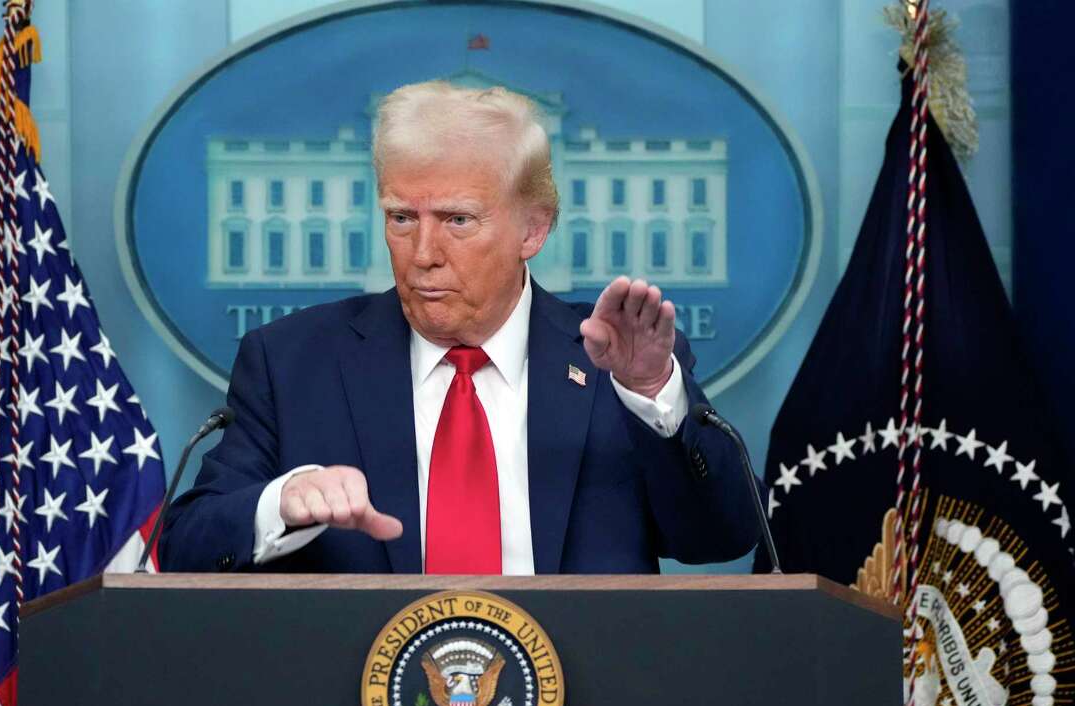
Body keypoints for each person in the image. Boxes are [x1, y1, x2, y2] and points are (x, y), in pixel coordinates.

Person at [161, 81, 760, 575]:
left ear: (533, 229)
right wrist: (279, 504)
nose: (422, 252)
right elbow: (184, 546)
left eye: (457, 220)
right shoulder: (292, 361)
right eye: (401, 217)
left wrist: (654, 392)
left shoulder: (620, 362)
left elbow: (722, 537)